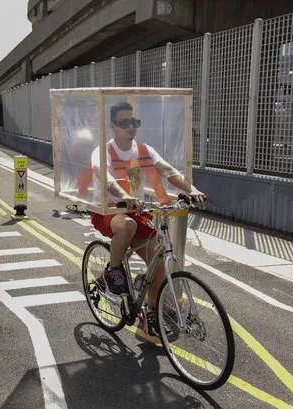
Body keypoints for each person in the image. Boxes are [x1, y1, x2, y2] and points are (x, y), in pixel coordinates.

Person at [88, 101, 206, 336]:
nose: (131, 127)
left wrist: (191, 189)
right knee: (128, 225)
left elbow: (168, 170)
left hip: (135, 210)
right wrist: (123, 194)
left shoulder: (143, 151)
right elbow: (103, 173)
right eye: (124, 123)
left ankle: (151, 313)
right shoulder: (104, 151)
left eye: (134, 122)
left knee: (159, 262)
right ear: (113, 126)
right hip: (107, 209)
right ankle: (113, 270)